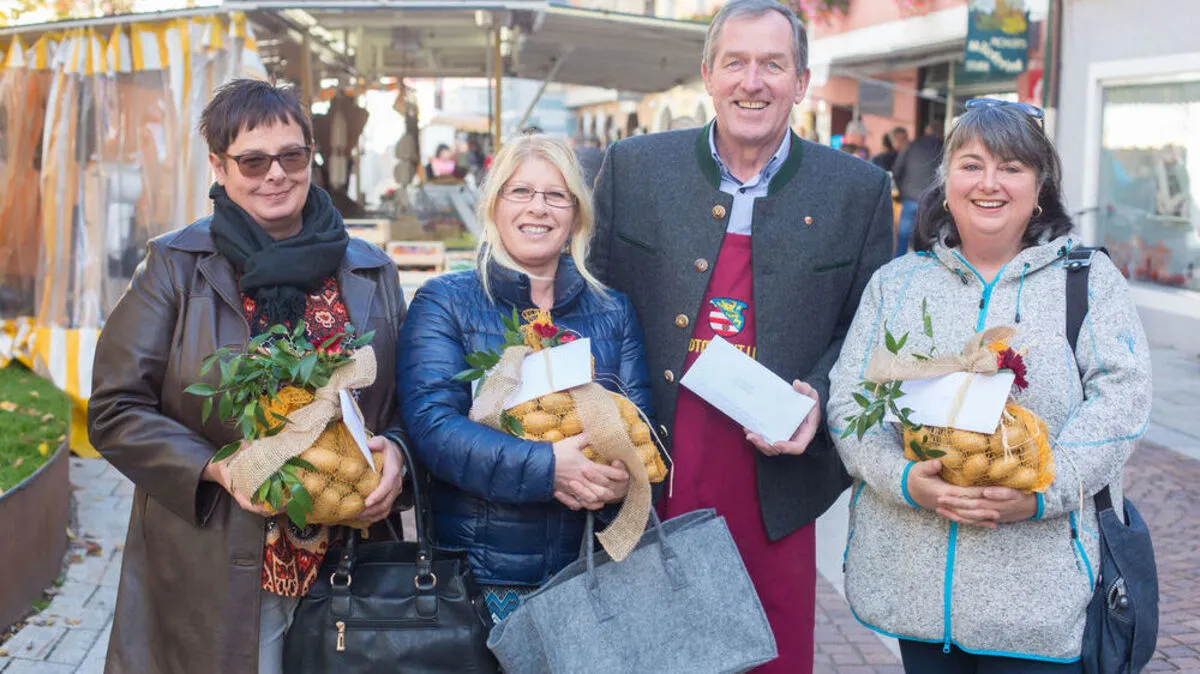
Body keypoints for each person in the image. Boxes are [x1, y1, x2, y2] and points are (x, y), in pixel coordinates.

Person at [589, 0, 893, 670]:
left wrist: (820, 394)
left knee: (768, 654)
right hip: (649, 476)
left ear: (801, 81)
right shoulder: (635, 168)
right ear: (708, 73)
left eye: (773, 65)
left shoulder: (858, 190)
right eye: (736, 63)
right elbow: (594, 302)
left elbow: (869, 328)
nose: (752, 82)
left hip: (776, 489)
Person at [87, 79, 408, 674]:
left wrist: (400, 458)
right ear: (218, 165)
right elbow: (115, 409)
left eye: (292, 156)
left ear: (311, 156)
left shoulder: (371, 270)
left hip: (351, 556)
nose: (276, 174)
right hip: (219, 559)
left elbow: (409, 404)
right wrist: (217, 466)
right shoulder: (177, 267)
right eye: (253, 161)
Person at [829, 100, 1152, 672]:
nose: (989, 183)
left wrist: (1042, 492)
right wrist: (904, 480)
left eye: (1011, 167)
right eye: (972, 165)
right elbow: (850, 400)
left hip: (1039, 600)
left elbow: (1121, 403)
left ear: (1040, 187)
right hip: (914, 589)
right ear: (946, 182)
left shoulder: (1088, 281)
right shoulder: (896, 285)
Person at [396, 134, 650, 624]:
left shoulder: (612, 311)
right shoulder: (445, 302)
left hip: (590, 572)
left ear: (576, 214)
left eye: (557, 195)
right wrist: (548, 467)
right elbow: (434, 430)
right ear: (494, 205)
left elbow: (642, 427)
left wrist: (624, 479)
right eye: (521, 192)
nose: (539, 208)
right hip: (480, 578)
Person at [893, 120, 943, 257]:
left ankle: (898, 265)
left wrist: (902, 192)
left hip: (909, 198)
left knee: (903, 238)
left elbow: (897, 170)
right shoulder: (943, 148)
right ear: (940, 132)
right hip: (931, 201)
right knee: (928, 240)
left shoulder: (911, 146)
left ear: (927, 131)